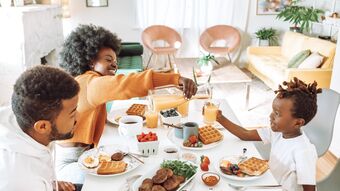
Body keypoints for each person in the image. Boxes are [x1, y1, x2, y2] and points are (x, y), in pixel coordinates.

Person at [57, 24, 197, 183]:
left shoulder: (85, 80)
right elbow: (127, 83)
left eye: (116, 61)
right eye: (108, 59)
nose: (115, 65)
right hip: (71, 164)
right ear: (90, 61)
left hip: (86, 154)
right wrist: (175, 79)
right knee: (125, 177)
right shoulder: (91, 84)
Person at [215, 77, 321, 191]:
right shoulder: (278, 133)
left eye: (277, 113)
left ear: (298, 122)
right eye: (272, 111)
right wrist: (220, 118)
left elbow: (310, 189)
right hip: (269, 183)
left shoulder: (304, 152)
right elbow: (245, 134)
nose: (271, 116)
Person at [0, 66, 81, 191]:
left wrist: (49, 185)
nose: (79, 116)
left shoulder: (27, 116)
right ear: (43, 126)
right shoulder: (23, 180)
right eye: (73, 112)